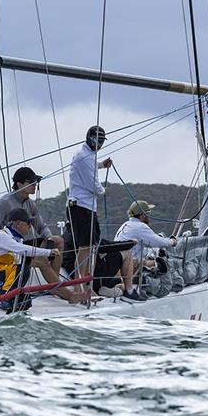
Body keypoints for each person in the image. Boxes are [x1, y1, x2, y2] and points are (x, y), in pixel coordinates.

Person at [0, 166, 66, 292]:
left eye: (36, 182)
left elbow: (41, 226)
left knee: (58, 240)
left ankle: (53, 285)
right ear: (19, 184)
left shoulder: (30, 203)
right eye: (31, 182)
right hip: (7, 250)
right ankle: (58, 288)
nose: (35, 185)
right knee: (41, 260)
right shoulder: (4, 203)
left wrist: (49, 238)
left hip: (22, 244)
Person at [66, 125, 113, 292]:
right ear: (89, 138)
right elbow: (93, 185)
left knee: (91, 247)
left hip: (88, 208)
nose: (99, 144)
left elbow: (91, 166)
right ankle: (78, 288)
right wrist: (104, 190)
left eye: (101, 141)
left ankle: (87, 286)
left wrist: (101, 165)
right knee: (85, 247)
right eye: (96, 140)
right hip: (80, 207)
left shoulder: (89, 155)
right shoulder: (84, 156)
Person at [0, 208, 65, 310]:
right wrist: (49, 252)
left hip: (6, 274)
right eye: (28, 223)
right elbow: (23, 250)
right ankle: (1, 298)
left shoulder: (17, 239)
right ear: (18, 223)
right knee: (23, 269)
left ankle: (9, 297)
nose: (30, 227)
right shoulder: (0, 235)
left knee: (27, 302)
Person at [114, 199, 177, 300]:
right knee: (160, 264)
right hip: (129, 265)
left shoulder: (125, 225)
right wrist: (173, 242)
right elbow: (158, 242)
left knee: (150, 263)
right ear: (142, 215)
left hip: (119, 265)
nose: (150, 216)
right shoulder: (140, 226)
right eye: (148, 213)